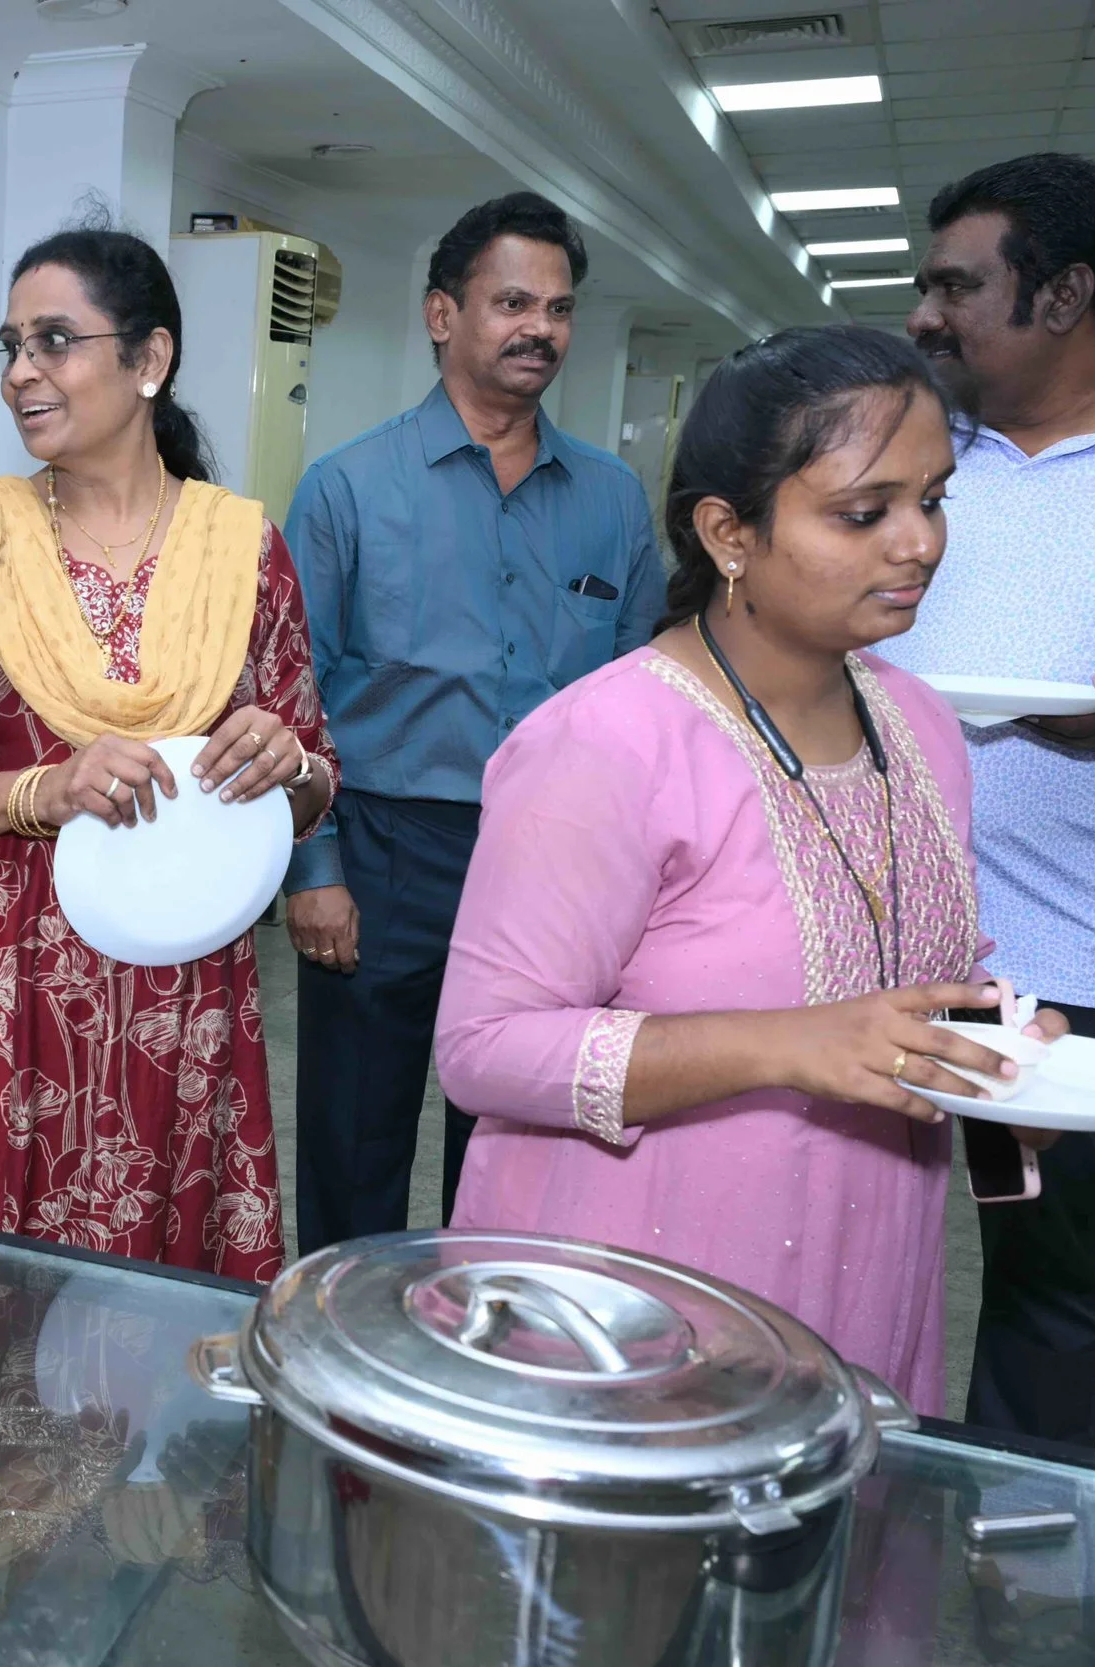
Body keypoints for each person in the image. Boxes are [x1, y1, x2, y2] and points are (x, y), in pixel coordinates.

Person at [435, 325, 1068, 1415]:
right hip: (642, 1296)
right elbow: (482, 1048)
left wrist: (1003, 1061)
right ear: (729, 532)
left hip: (864, 1260)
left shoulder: (921, 727)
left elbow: (913, 974)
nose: (918, 543)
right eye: (863, 513)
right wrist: (791, 1043)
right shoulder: (608, 741)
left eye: (933, 500)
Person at [0, 227, 336, 1281]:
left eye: (55, 341)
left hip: (181, 992)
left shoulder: (242, 548)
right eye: (12, 345)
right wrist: (41, 790)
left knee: (158, 1295)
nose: (21, 371)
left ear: (149, 358)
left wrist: (286, 765)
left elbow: (312, 781)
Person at [282, 191, 664, 1255]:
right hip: (385, 851)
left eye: (558, 308)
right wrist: (313, 870)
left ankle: (485, 1330)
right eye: (512, 303)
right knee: (355, 1132)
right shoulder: (347, 488)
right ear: (442, 314)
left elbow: (646, 702)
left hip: (554, 863)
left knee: (517, 1143)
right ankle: (343, 1335)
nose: (540, 328)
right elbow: (286, 695)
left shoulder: (611, 499)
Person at [887, 152, 1095, 1446]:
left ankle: (1021, 1528)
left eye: (955, 287)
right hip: (912, 955)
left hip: (1077, 963)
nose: (925, 315)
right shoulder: (922, 463)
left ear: (1064, 294)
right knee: (867, 1232)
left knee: (1045, 1268)